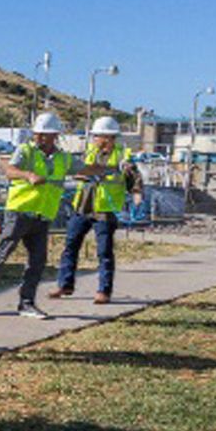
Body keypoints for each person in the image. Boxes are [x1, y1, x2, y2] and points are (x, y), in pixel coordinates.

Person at [0, 112, 104, 319]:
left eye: (44, 134)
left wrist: (111, 169)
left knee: (38, 261)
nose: (38, 137)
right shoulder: (26, 151)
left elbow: (85, 169)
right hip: (19, 211)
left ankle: (26, 302)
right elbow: (10, 170)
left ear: (55, 136)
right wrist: (28, 175)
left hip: (42, 215)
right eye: (37, 134)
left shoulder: (63, 158)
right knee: (2, 253)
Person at [49, 116, 144, 304]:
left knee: (104, 251)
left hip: (105, 211)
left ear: (108, 137)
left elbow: (134, 178)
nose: (94, 139)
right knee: (70, 246)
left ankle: (104, 291)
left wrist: (137, 194)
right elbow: (78, 171)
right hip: (82, 207)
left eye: (97, 136)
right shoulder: (89, 153)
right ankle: (65, 284)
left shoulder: (122, 156)